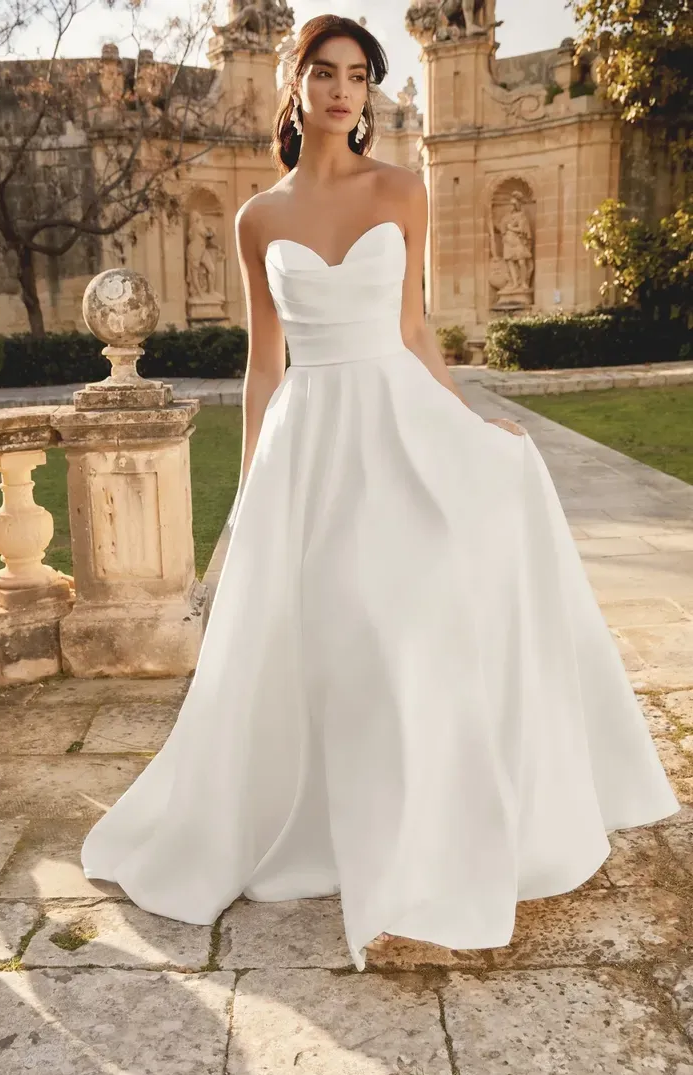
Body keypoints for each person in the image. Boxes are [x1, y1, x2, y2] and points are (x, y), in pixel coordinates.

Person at [81, 14, 679, 972]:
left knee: (414, 622)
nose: (343, 91)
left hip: (401, 424)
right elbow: (264, 362)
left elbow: (414, 328)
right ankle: (336, 828)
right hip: (313, 441)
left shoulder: (403, 190)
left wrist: (468, 421)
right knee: (345, 630)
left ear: (368, 91)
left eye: (359, 76)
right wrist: (250, 487)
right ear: (297, 81)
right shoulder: (257, 217)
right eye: (326, 73)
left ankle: (429, 853)